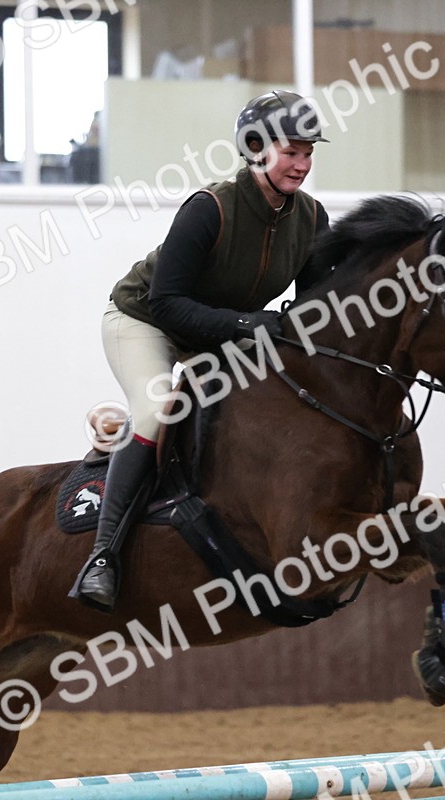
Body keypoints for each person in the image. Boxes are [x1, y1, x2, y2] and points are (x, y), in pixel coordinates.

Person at [69, 90, 334, 613]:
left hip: (217, 334)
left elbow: (310, 311)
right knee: (159, 406)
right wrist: (247, 324)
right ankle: (102, 556)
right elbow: (166, 304)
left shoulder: (312, 219)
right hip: (144, 321)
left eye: (308, 153)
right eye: (291, 152)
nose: (301, 165)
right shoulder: (208, 209)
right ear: (255, 148)